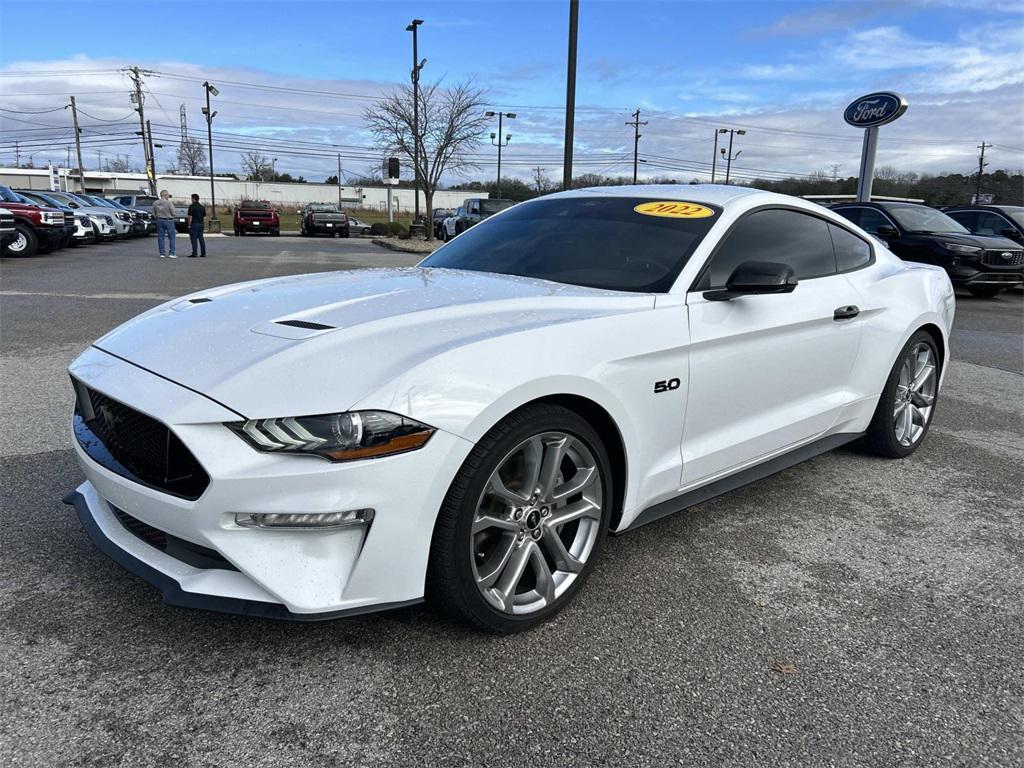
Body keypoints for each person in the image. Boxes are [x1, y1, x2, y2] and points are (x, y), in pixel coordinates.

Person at [152, 190, 177, 258]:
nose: (168, 196)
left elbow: (153, 213)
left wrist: (156, 217)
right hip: (168, 220)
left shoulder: (155, 203)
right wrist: (172, 216)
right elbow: (173, 212)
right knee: (172, 238)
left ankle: (162, 253)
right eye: (168, 195)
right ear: (165, 195)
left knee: (160, 237)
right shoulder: (169, 203)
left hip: (159, 220)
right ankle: (172, 253)